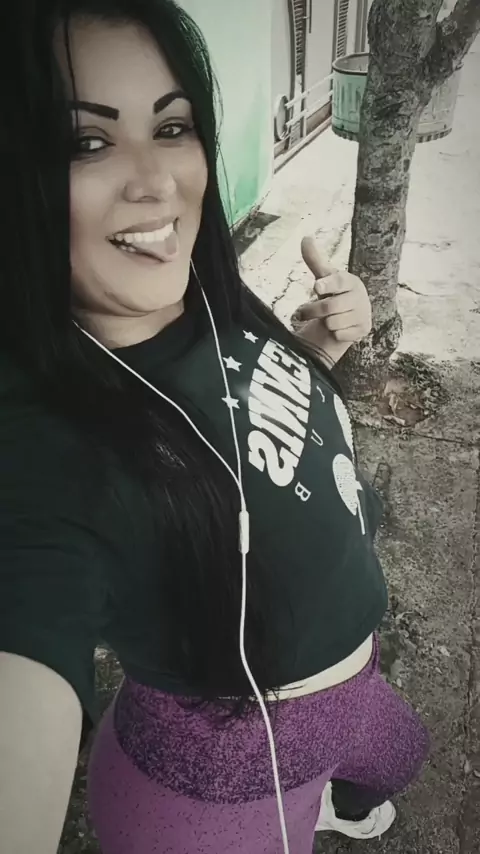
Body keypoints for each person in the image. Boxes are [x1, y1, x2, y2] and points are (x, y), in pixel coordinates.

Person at [0, 1, 430, 852]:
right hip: (221, 785)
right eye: (86, 142)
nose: (157, 182)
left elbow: (239, 414)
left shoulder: (193, 294)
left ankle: (339, 800)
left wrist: (318, 347)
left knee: (401, 757)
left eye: (172, 127)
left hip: (358, 689)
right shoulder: (46, 446)